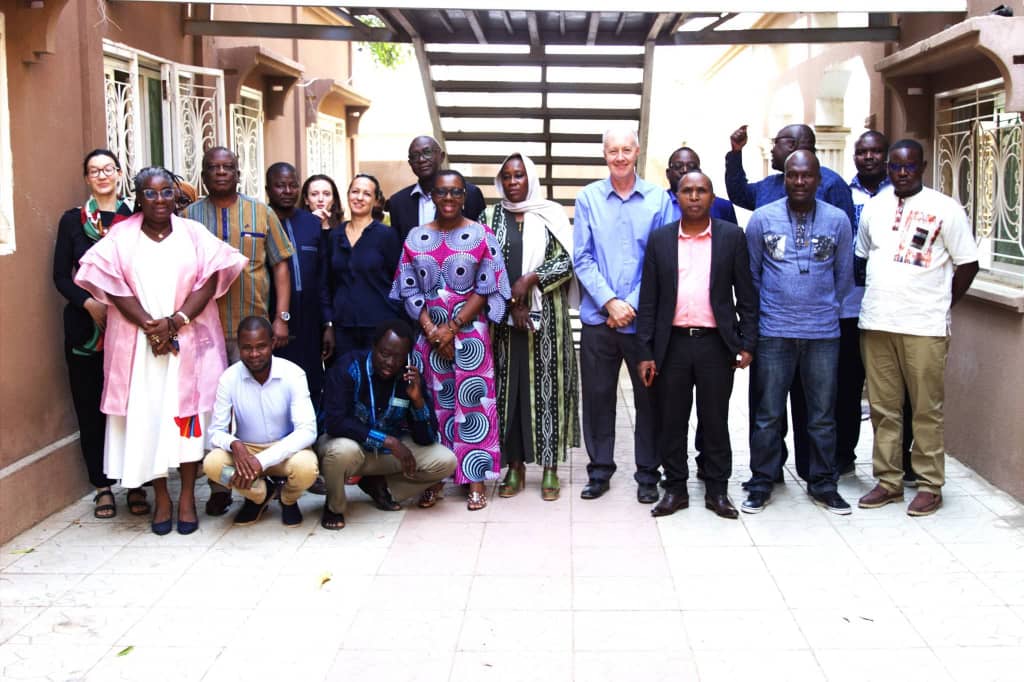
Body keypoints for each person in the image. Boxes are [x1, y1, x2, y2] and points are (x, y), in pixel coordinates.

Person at [74, 166, 246, 535]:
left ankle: (187, 497)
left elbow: (210, 280)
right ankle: (162, 498)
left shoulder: (193, 233)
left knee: (186, 421)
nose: (159, 200)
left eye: (166, 192)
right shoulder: (121, 236)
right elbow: (113, 286)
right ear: (138, 197)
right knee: (149, 420)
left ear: (176, 195)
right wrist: (152, 327)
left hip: (187, 343)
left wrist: (175, 321)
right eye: (149, 193)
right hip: (139, 348)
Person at [725, 123, 857, 486]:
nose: (799, 181)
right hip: (774, 331)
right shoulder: (764, 216)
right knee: (767, 413)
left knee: (821, 414)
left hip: (822, 333)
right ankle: (764, 480)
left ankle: (822, 481)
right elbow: (752, 273)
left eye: (806, 175)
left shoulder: (837, 214)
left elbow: (843, 274)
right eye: (793, 175)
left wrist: (820, 303)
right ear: (785, 178)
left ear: (819, 178)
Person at [856, 139, 979, 517]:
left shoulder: (946, 209)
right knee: (883, 409)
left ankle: (929, 485)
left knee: (926, 410)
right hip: (877, 323)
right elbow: (862, 257)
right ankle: (888, 481)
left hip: (925, 326)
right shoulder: (874, 207)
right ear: (888, 169)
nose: (902, 172)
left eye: (909, 166)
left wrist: (942, 303)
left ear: (923, 167)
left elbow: (968, 264)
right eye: (895, 166)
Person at [637, 170, 757, 519]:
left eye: (701, 191)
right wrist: (645, 352)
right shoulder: (660, 240)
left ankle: (717, 491)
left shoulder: (731, 237)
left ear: (711, 197)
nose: (693, 196)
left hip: (715, 345)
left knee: (715, 420)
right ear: (676, 197)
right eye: (687, 191)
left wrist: (747, 342)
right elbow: (649, 301)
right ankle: (675, 489)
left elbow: (746, 296)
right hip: (672, 344)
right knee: (671, 421)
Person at [390, 169, 510, 511]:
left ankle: (476, 481)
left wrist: (453, 327)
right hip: (428, 335)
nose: (448, 198)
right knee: (433, 407)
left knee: (474, 407)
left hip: (470, 336)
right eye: (442, 192)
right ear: (432, 196)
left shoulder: (482, 235)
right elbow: (407, 287)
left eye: (456, 192)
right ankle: (434, 479)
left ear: (464, 196)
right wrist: (432, 330)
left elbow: (487, 287)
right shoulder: (416, 237)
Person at [185, 146, 295, 517]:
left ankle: (263, 477)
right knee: (212, 411)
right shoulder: (188, 217)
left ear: (237, 172)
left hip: (252, 332)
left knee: (252, 409)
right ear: (203, 174)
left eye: (227, 167)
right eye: (213, 167)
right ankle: (221, 487)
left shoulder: (260, 212)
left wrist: (282, 317)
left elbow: (281, 266)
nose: (221, 172)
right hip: (204, 331)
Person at [573, 126, 673, 503]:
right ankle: (599, 470)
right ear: (604, 154)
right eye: (613, 150)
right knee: (598, 398)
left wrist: (630, 303)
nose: (619, 157)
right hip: (599, 320)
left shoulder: (658, 199)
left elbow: (663, 259)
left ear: (637, 152)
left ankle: (648, 473)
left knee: (649, 399)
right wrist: (610, 302)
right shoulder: (588, 198)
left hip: (643, 322)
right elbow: (582, 257)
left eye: (626, 150)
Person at [53, 149, 141, 519]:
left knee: (132, 408)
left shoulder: (136, 217)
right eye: (94, 171)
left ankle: (135, 483)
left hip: (130, 326)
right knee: (90, 408)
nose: (102, 175)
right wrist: (88, 303)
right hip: (85, 330)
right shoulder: (72, 221)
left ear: (119, 173)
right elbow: (60, 276)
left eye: (108, 168)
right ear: (87, 179)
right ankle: (103, 486)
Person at [487, 152, 580, 501]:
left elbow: (568, 261)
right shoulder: (489, 216)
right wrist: (514, 302)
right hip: (504, 319)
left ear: (531, 178)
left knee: (549, 389)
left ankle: (551, 467)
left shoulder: (551, 213)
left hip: (548, 319)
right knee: (508, 391)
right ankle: (515, 466)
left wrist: (530, 279)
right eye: (507, 176)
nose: (513, 182)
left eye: (519, 175)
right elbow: (485, 263)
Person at [317, 320, 458, 529]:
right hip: (350, 449)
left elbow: (426, 439)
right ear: (373, 346)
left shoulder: (408, 378)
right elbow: (335, 422)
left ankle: (382, 488)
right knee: (342, 451)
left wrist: (418, 401)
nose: (391, 362)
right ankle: (334, 506)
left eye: (399, 357)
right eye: (385, 354)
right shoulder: (348, 367)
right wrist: (388, 441)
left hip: (382, 454)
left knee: (446, 460)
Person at [204, 316, 319, 526]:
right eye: (247, 348)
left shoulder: (293, 374)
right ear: (239, 347)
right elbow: (215, 432)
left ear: (273, 343)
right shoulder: (229, 378)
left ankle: (288, 499)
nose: (254, 354)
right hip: (247, 452)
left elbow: (308, 431)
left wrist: (261, 461)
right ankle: (258, 495)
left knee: (307, 468)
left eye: (261, 346)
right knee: (212, 464)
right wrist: (234, 444)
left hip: (285, 451)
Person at [320, 173, 403, 360]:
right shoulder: (334, 236)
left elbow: (399, 282)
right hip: (342, 328)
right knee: (343, 375)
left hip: (379, 326)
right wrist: (328, 324)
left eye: (366, 194)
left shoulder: (387, 235)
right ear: (348, 194)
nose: (359, 197)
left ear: (376, 200)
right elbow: (326, 284)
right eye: (355, 191)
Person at [266, 162, 326, 406]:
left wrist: (328, 323)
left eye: (293, 185)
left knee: (310, 381)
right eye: (280, 185)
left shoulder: (312, 223)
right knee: (277, 382)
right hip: (273, 316)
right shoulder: (261, 221)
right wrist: (279, 317)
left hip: (310, 318)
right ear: (268, 189)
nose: (287, 191)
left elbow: (323, 277)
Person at [386, 135, 486, 241]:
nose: (421, 160)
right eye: (415, 156)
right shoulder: (398, 202)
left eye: (427, 152)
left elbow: (481, 238)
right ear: (410, 163)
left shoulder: (469, 194)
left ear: (441, 156)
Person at [665, 147, 737, 223]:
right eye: (678, 166)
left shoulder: (723, 207)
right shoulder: (659, 203)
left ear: (699, 172)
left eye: (691, 166)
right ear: (668, 173)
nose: (685, 170)